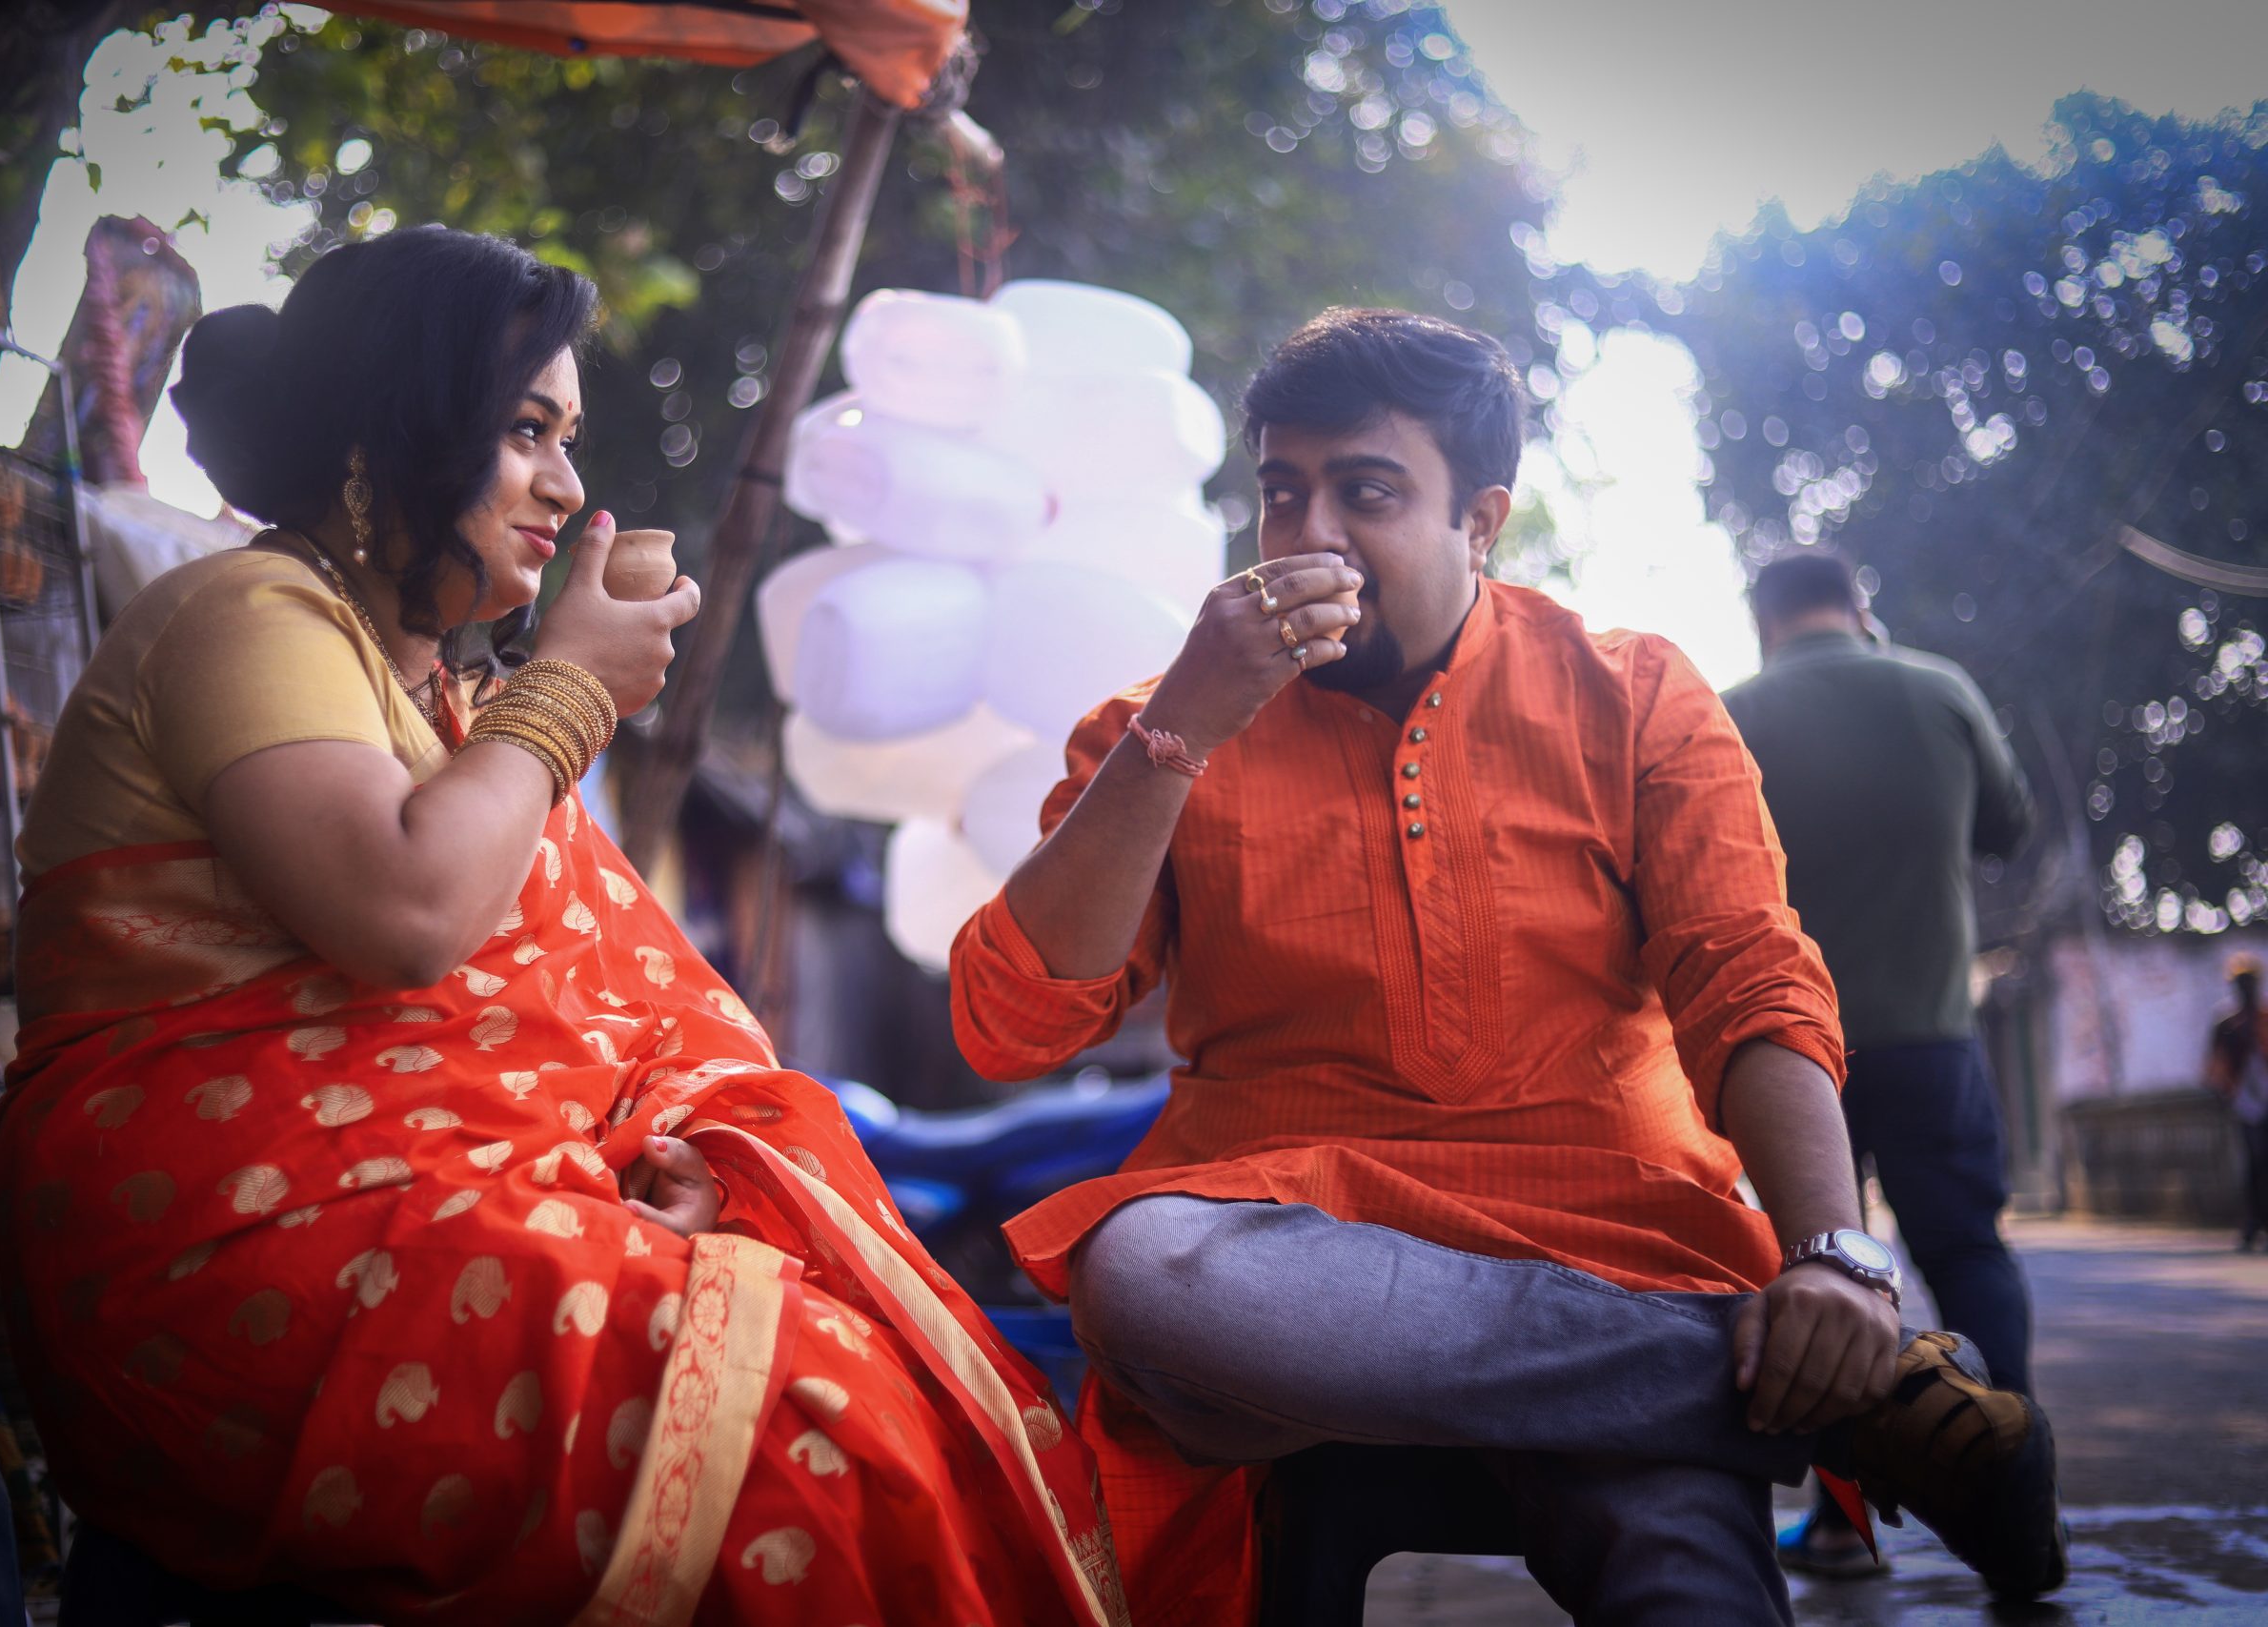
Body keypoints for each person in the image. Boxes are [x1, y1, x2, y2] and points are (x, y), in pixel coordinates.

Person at [0, 227, 1124, 1627]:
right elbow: (407, 914)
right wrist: (569, 687)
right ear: (392, 427)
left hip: (427, 1213)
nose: (569, 484)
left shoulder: (443, 698)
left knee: (869, 1369)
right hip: (224, 1253)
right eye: (525, 430)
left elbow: (613, 1011)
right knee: (805, 1429)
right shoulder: (247, 609)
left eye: (569, 437)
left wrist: (682, 1154)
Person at [948, 308, 2065, 1626]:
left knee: (1685, 1577)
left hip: (1614, 1231)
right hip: (1299, 1249)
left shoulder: (1635, 691)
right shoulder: (1163, 724)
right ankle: (1860, 1402)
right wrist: (1180, 727)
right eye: (1280, 493)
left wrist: (1832, 1254)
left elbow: (1750, 978)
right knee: (1143, 1269)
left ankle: (1732, 1374)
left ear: (1481, 520)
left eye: (1365, 491)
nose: (1306, 536)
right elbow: (1011, 1022)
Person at [1721, 549, 2040, 1577]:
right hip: (1932, 1038)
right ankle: (2018, 1490)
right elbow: (2007, 825)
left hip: (1786, 1061)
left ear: (1763, 620)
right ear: (1859, 608)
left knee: (1819, 1278)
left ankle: (1841, 1528)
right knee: (1968, 1255)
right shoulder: (1938, 688)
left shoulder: (1736, 714)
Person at [2207, 953, 2268, 1250]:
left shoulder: (2265, 1018)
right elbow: (2217, 1066)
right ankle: (2252, 1224)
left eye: (2250, 982)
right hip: (2245, 1100)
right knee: (2254, 1161)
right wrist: (2224, 1094)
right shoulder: (2227, 1023)